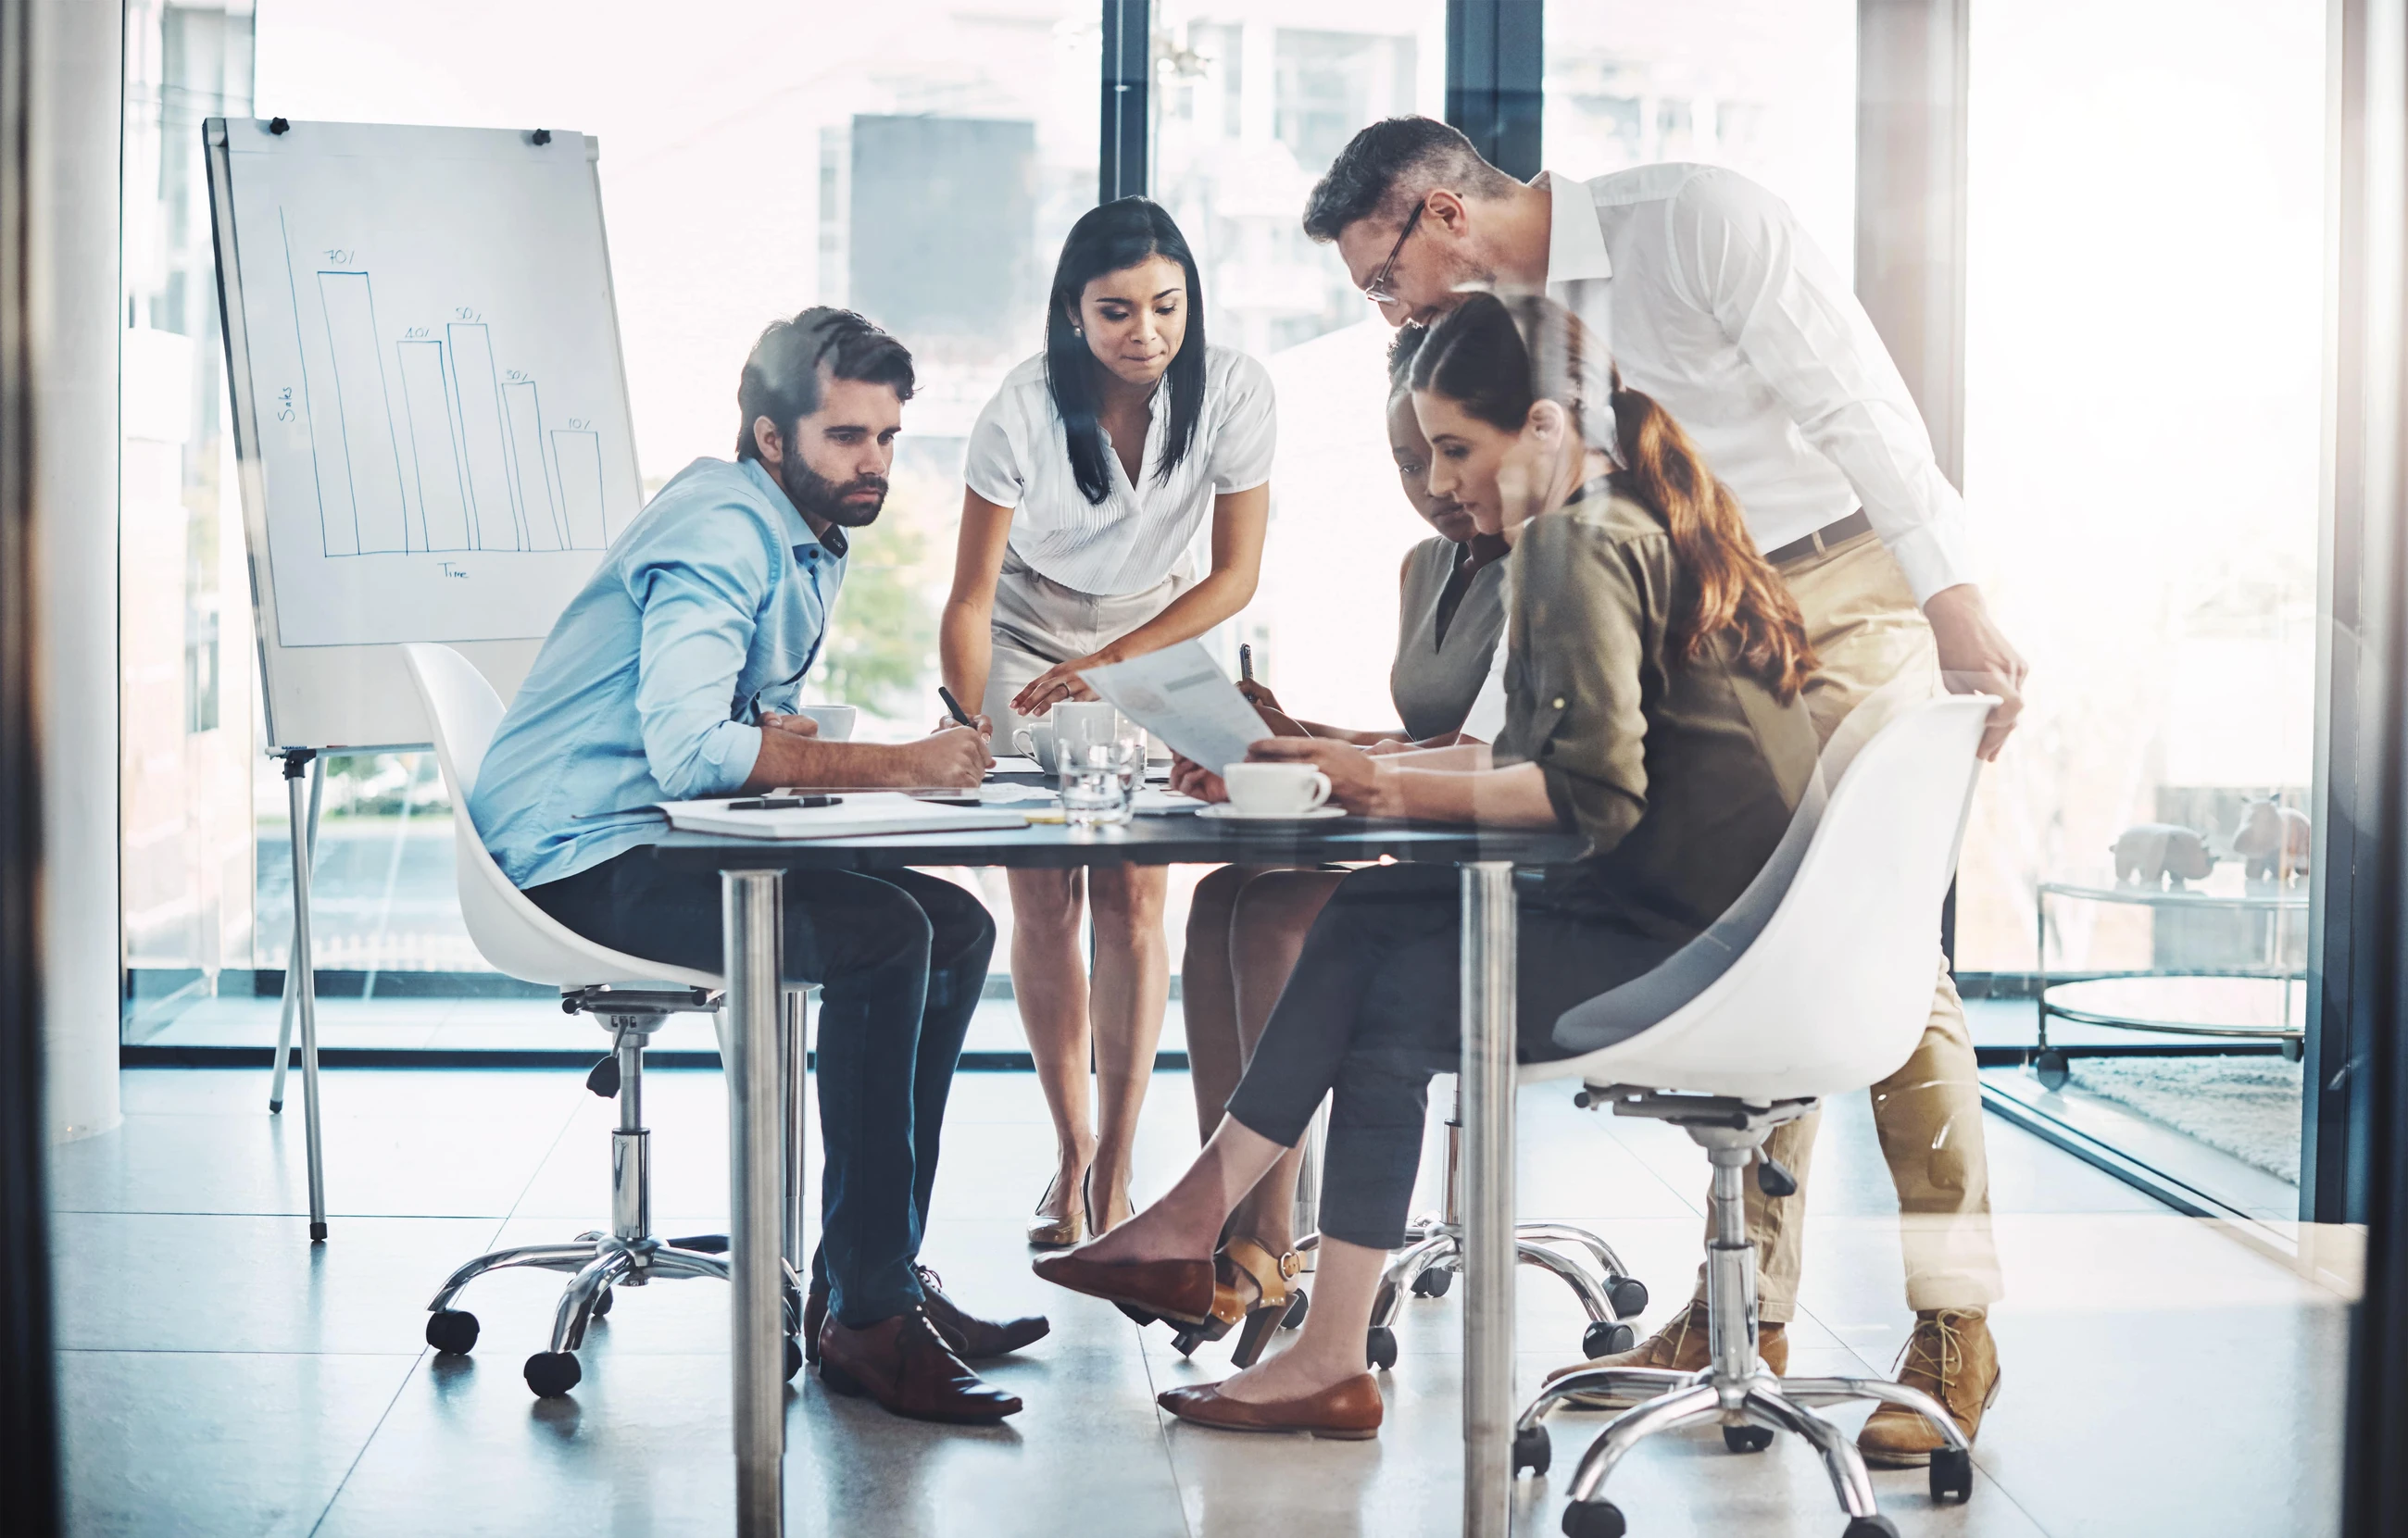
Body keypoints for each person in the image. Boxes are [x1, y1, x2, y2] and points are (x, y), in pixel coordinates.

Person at [1294, 114, 2018, 1464]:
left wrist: (1953, 603)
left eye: (1383, 282)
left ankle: (1953, 1318)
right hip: (1716, 612)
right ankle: (1751, 1309)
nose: (1388, 313)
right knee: (1748, 928)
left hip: (1853, 583)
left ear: (1440, 215)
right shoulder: (1522, 344)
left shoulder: (1699, 220)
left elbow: (1864, 410)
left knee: (1869, 944)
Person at [1033, 292, 1821, 1440]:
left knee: (1387, 987)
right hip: (1729, 934)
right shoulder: (1639, 520)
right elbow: (1534, 761)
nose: (1444, 480)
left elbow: (1586, 797)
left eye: (1457, 447)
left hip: (1686, 955)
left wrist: (1378, 784)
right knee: (1367, 916)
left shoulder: (1573, 541)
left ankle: (1240, 1266)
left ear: (1545, 430)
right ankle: (1257, 1282)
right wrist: (1343, 761)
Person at [470, 307, 1047, 1425]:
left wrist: (797, 743)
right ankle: (869, 1318)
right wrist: (901, 766)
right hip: (575, 858)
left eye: (885, 436)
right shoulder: (723, 531)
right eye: (846, 437)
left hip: (637, 831)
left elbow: (716, 723)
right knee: (887, 938)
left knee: (957, 927)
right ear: (773, 437)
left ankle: (863, 1279)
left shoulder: (791, 526)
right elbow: (689, 754)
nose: (873, 461)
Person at [940, 198, 1274, 1248]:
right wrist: (964, 728)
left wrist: (1113, 664)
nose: (1146, 332)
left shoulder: (1232, 389)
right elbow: (965, 596)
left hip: (1159, 626)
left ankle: (1123, 1166)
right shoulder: (1021, 408)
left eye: (1166, 306)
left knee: (1134, 890)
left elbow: (1233, 578)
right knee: (1042, 895)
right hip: (1028, 633)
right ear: (1071, 313)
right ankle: (1072, 1154)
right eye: (1116, 310)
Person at [1177, 323, 1509, 1338]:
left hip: (1497, 847)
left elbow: (1498, 748)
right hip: (1433, 816)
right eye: (1408, 460)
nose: (1431, 483)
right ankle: (1232, 1221)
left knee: (1280, 913)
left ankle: (1260, 1240)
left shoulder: (1551, 559)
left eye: (1448, 454)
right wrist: (1297, 733)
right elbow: (1423, 734)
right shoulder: (1423, 567)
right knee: (1219, 896)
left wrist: (1336, 762)